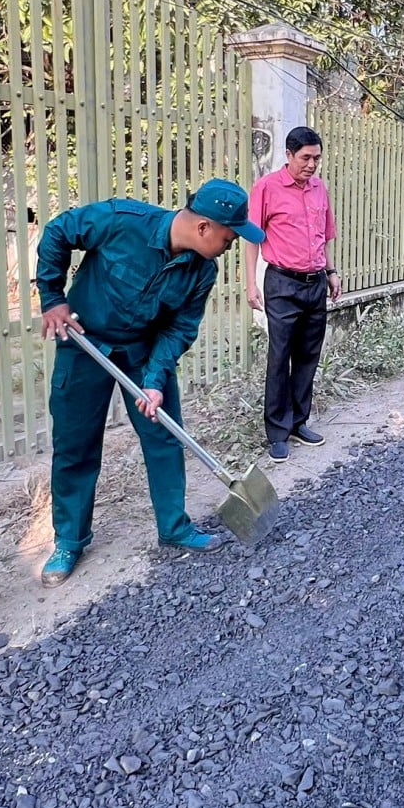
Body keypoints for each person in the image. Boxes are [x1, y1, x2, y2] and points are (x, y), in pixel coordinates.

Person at [37, 179, 265, 586]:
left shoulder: (202, 271)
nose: (232, 246)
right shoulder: (121, 221)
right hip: (85, 343)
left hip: (143, 353)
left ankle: (174, 527)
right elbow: (59, 231)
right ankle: (69, 540)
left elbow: (179, 328)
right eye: (230, 237)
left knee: (163, 436)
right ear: (203, 228)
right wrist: (53, 298)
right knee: (76, 445)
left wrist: (156, 379)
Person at [245, 126, 342, 462]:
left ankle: (300, 422)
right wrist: (250, 283)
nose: (312, 164)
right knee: (280, 355)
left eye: (316, 158)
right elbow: (252, 237)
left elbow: (325, 235)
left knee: (307, 355)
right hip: (282, 284)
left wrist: (331, 272)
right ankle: (277, 431)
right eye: (305, 158)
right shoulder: (266, 188)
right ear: (288, 155)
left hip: (315, 282)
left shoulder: (319, 189)